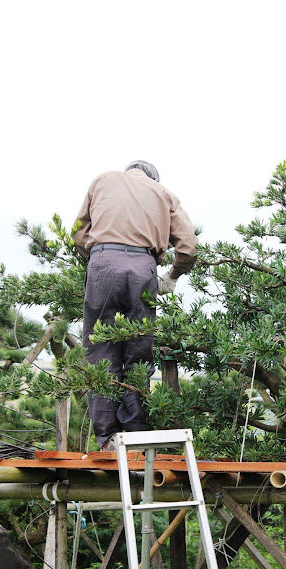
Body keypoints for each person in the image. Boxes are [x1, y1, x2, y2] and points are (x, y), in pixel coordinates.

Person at [73, 160, 198, 450]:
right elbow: (188, 246)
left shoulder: (102, 180)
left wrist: (98, 257)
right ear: (153, 177)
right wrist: (172, 276)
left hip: (103, 262)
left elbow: (79, 234)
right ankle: (136, 433)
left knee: (100, 351)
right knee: (138, 351)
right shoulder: (163, 193)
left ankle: (106, 439)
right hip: (143, 268)